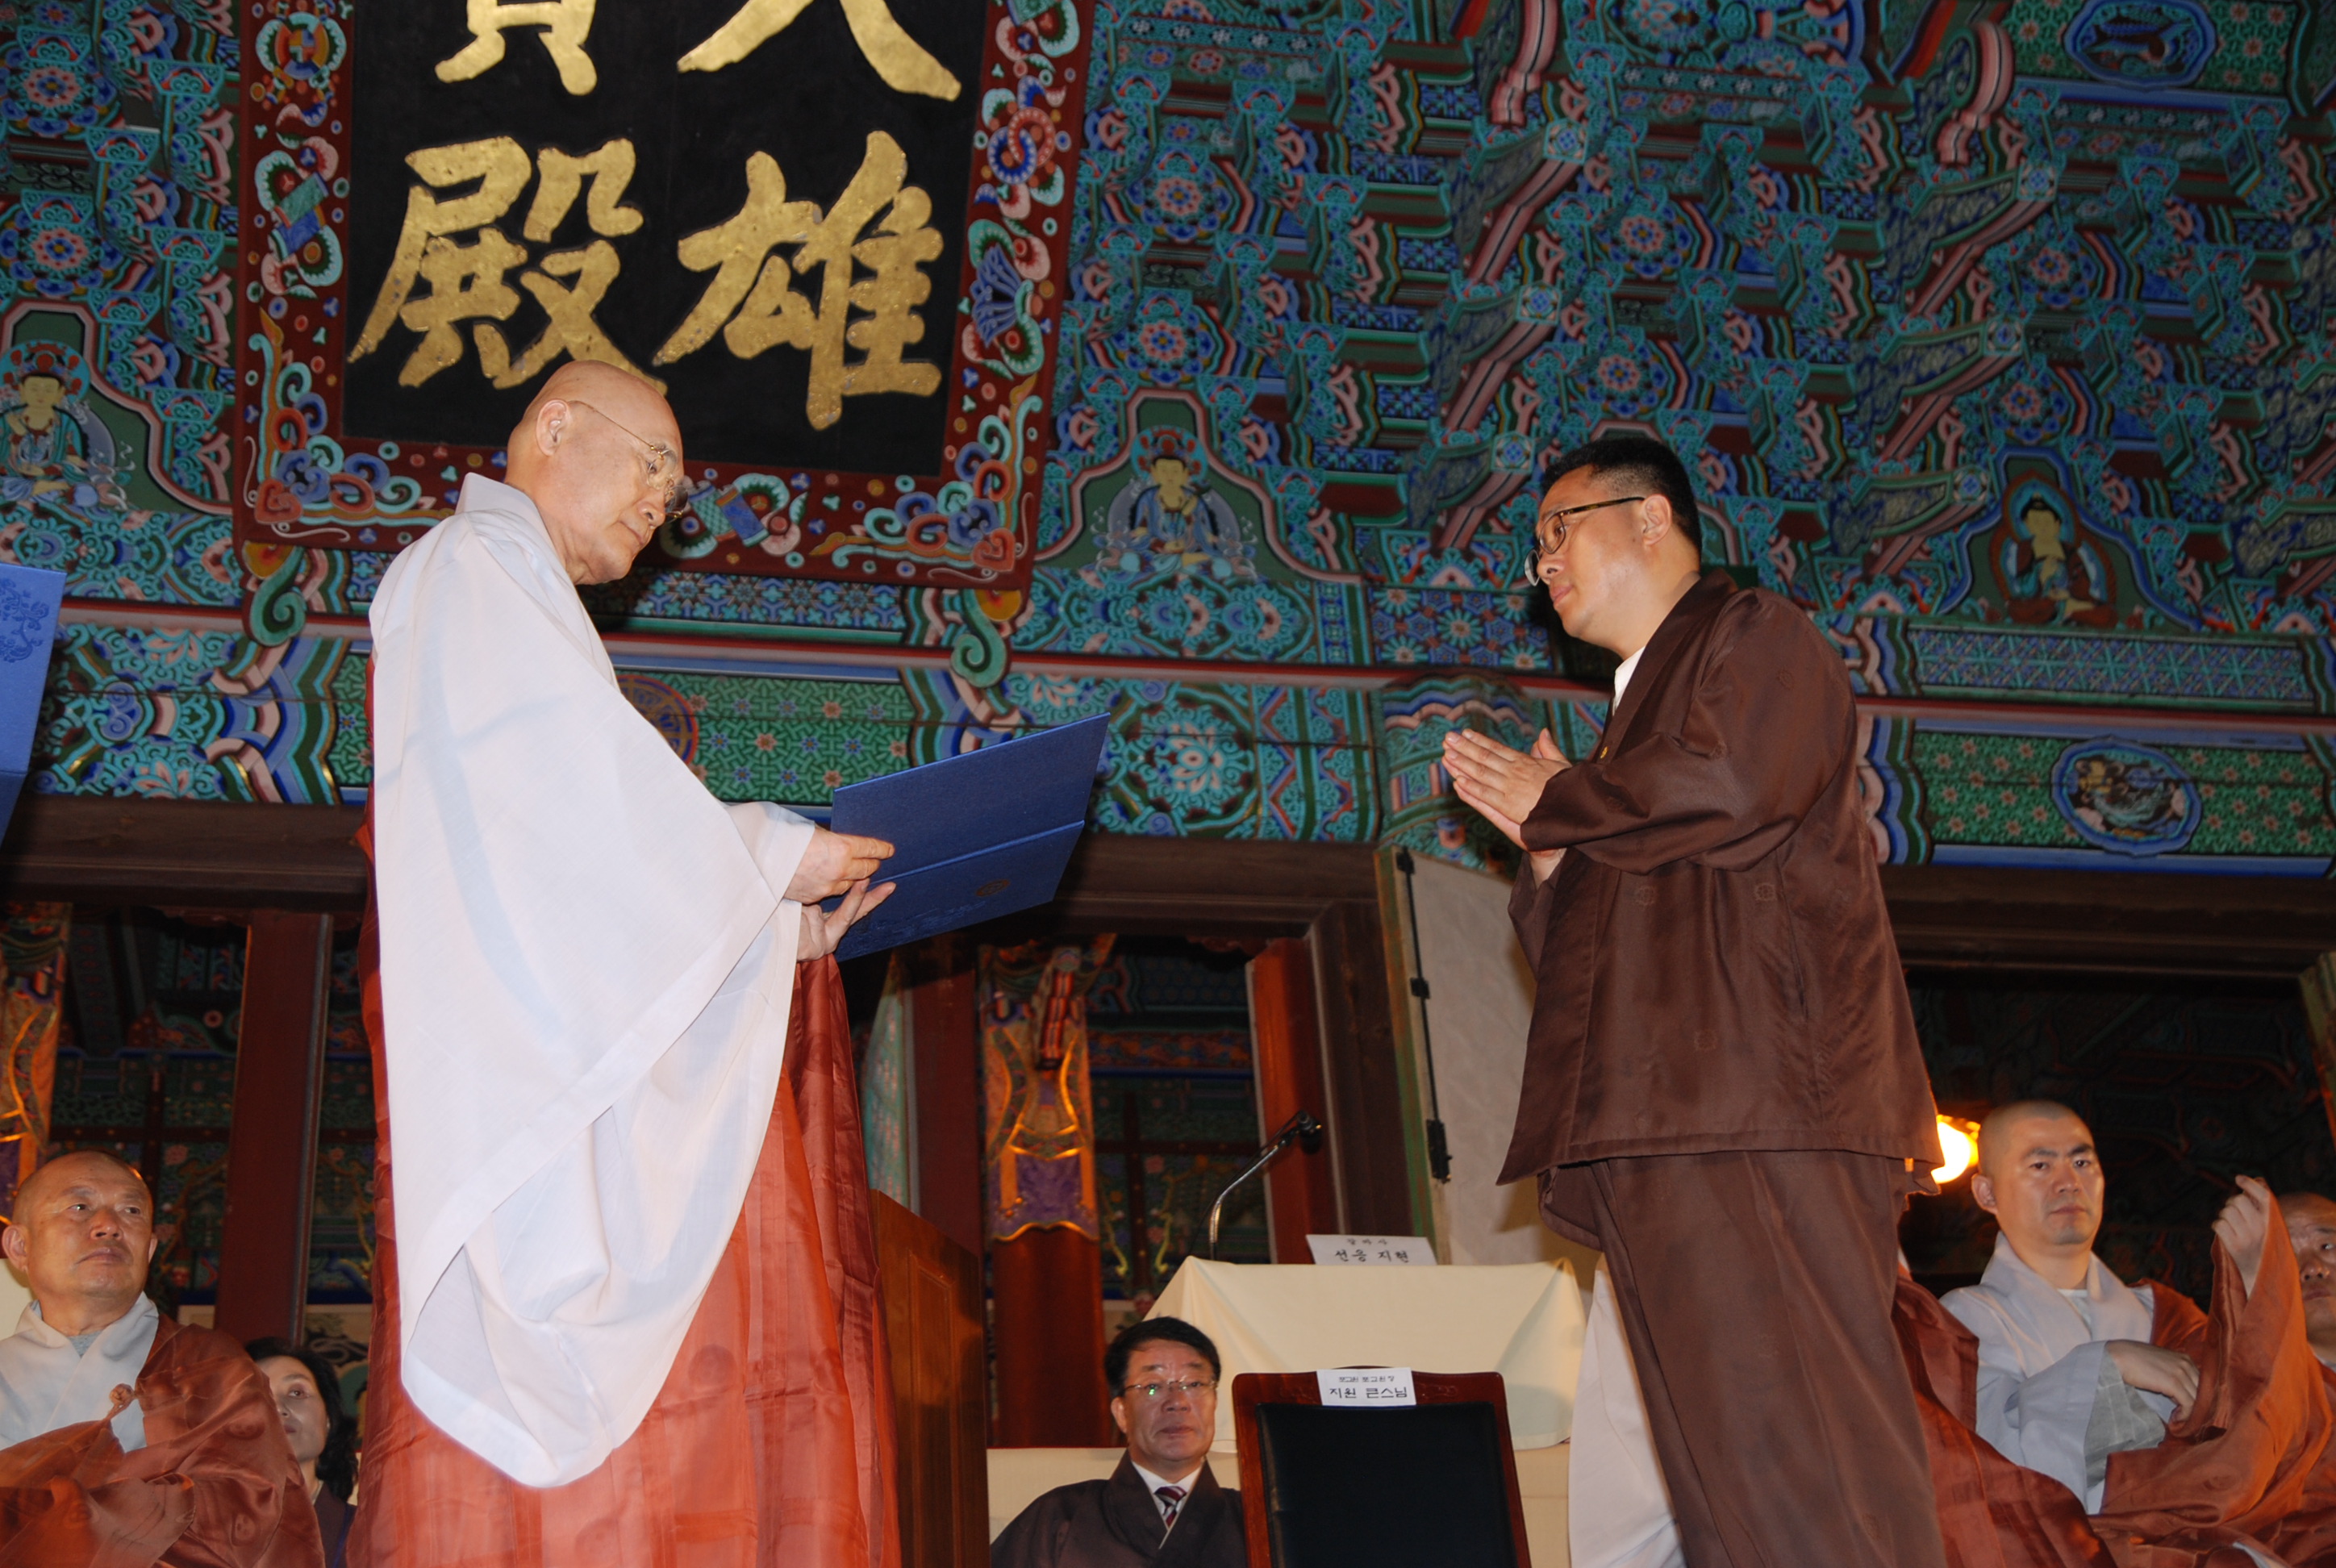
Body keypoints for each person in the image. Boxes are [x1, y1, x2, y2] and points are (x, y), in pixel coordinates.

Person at [353, 359, 903, 1563]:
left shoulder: (517, 590)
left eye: (677, 484)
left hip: (554, 1022)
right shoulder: (472, 563)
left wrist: (775, 926)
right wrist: (768, 855)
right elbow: (556, 811)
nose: (664, 501)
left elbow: (590, 876)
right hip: (517, 1053)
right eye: (653, 464)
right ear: (554, 426)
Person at [1440, 432, 1947, 1568]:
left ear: (1651, 518)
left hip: (1757, 1108)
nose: (1542, 564)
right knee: (1719, 1485)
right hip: (1664, 1121)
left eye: (1559, 530)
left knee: (1803, 1455)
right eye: (1534, 545)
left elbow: (1735, 786)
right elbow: (1591, 950)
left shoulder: (1753, 632)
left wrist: (1568, 799)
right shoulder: (1626, 738)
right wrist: (1552, 858)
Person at [1914, 1101, 2335, 1566]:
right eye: (2040, 1165)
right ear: (1987, 1193)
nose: (2068, 1182)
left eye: (2082, 1162)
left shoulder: (2165, 1311)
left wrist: (2255, 1296)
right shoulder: (1961, 1320)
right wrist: (2106, 1365)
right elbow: (1979, 1468)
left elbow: (2252, 1434)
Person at [0, 1149, 322, 1564]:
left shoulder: (208, 1366)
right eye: (80, 1207)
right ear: (20, 1246)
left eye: (131, 1211)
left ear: (150, 1249)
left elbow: (245, 1513)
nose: (109, 1226)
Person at [991, 1316, 1245, 1567]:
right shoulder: (1061, 1517)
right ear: (1121, 1413)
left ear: (1215, 1404)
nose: (1178, 1402)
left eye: (1194, 1384)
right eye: (1153, 1387)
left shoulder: (1253, 1518)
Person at [248, 1337, 357, 1567]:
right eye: (257, 1394)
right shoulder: (197, 1535)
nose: (278, 1407)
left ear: (328, 1420)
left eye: (297, 1393)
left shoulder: (370, 1532)